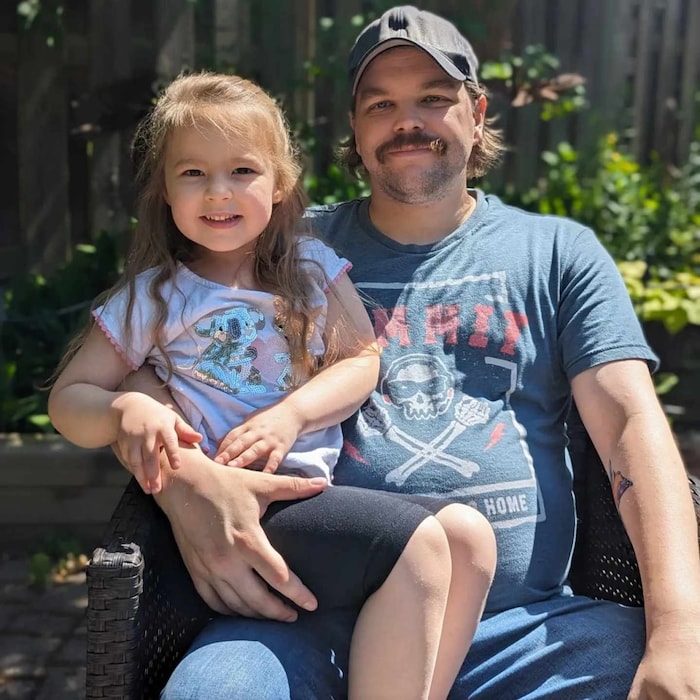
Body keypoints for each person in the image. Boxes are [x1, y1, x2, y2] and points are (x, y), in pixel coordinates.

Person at [111, 7, 700, 699]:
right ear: (355, 132)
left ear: (477, 114)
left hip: (525, 633)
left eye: (433, 99)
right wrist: (184, 485)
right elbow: (148, 357)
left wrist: (679, 630)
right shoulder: (278, 247)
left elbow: (631, 426)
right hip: (308, 619)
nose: (407, 120)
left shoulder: (556, 253)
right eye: (381, 103)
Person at [48, 71, 497, 700]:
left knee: (471, 541)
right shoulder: (153, 296)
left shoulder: (310, 268)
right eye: (193, 174)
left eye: (242, 171)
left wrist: (290, 416)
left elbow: (361, 361)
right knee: (419, 549)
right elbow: (68, 401)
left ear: (280, 182)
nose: (218, 192)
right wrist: (125, 410)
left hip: (308, 495)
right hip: (237, 509)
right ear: (165, 192)